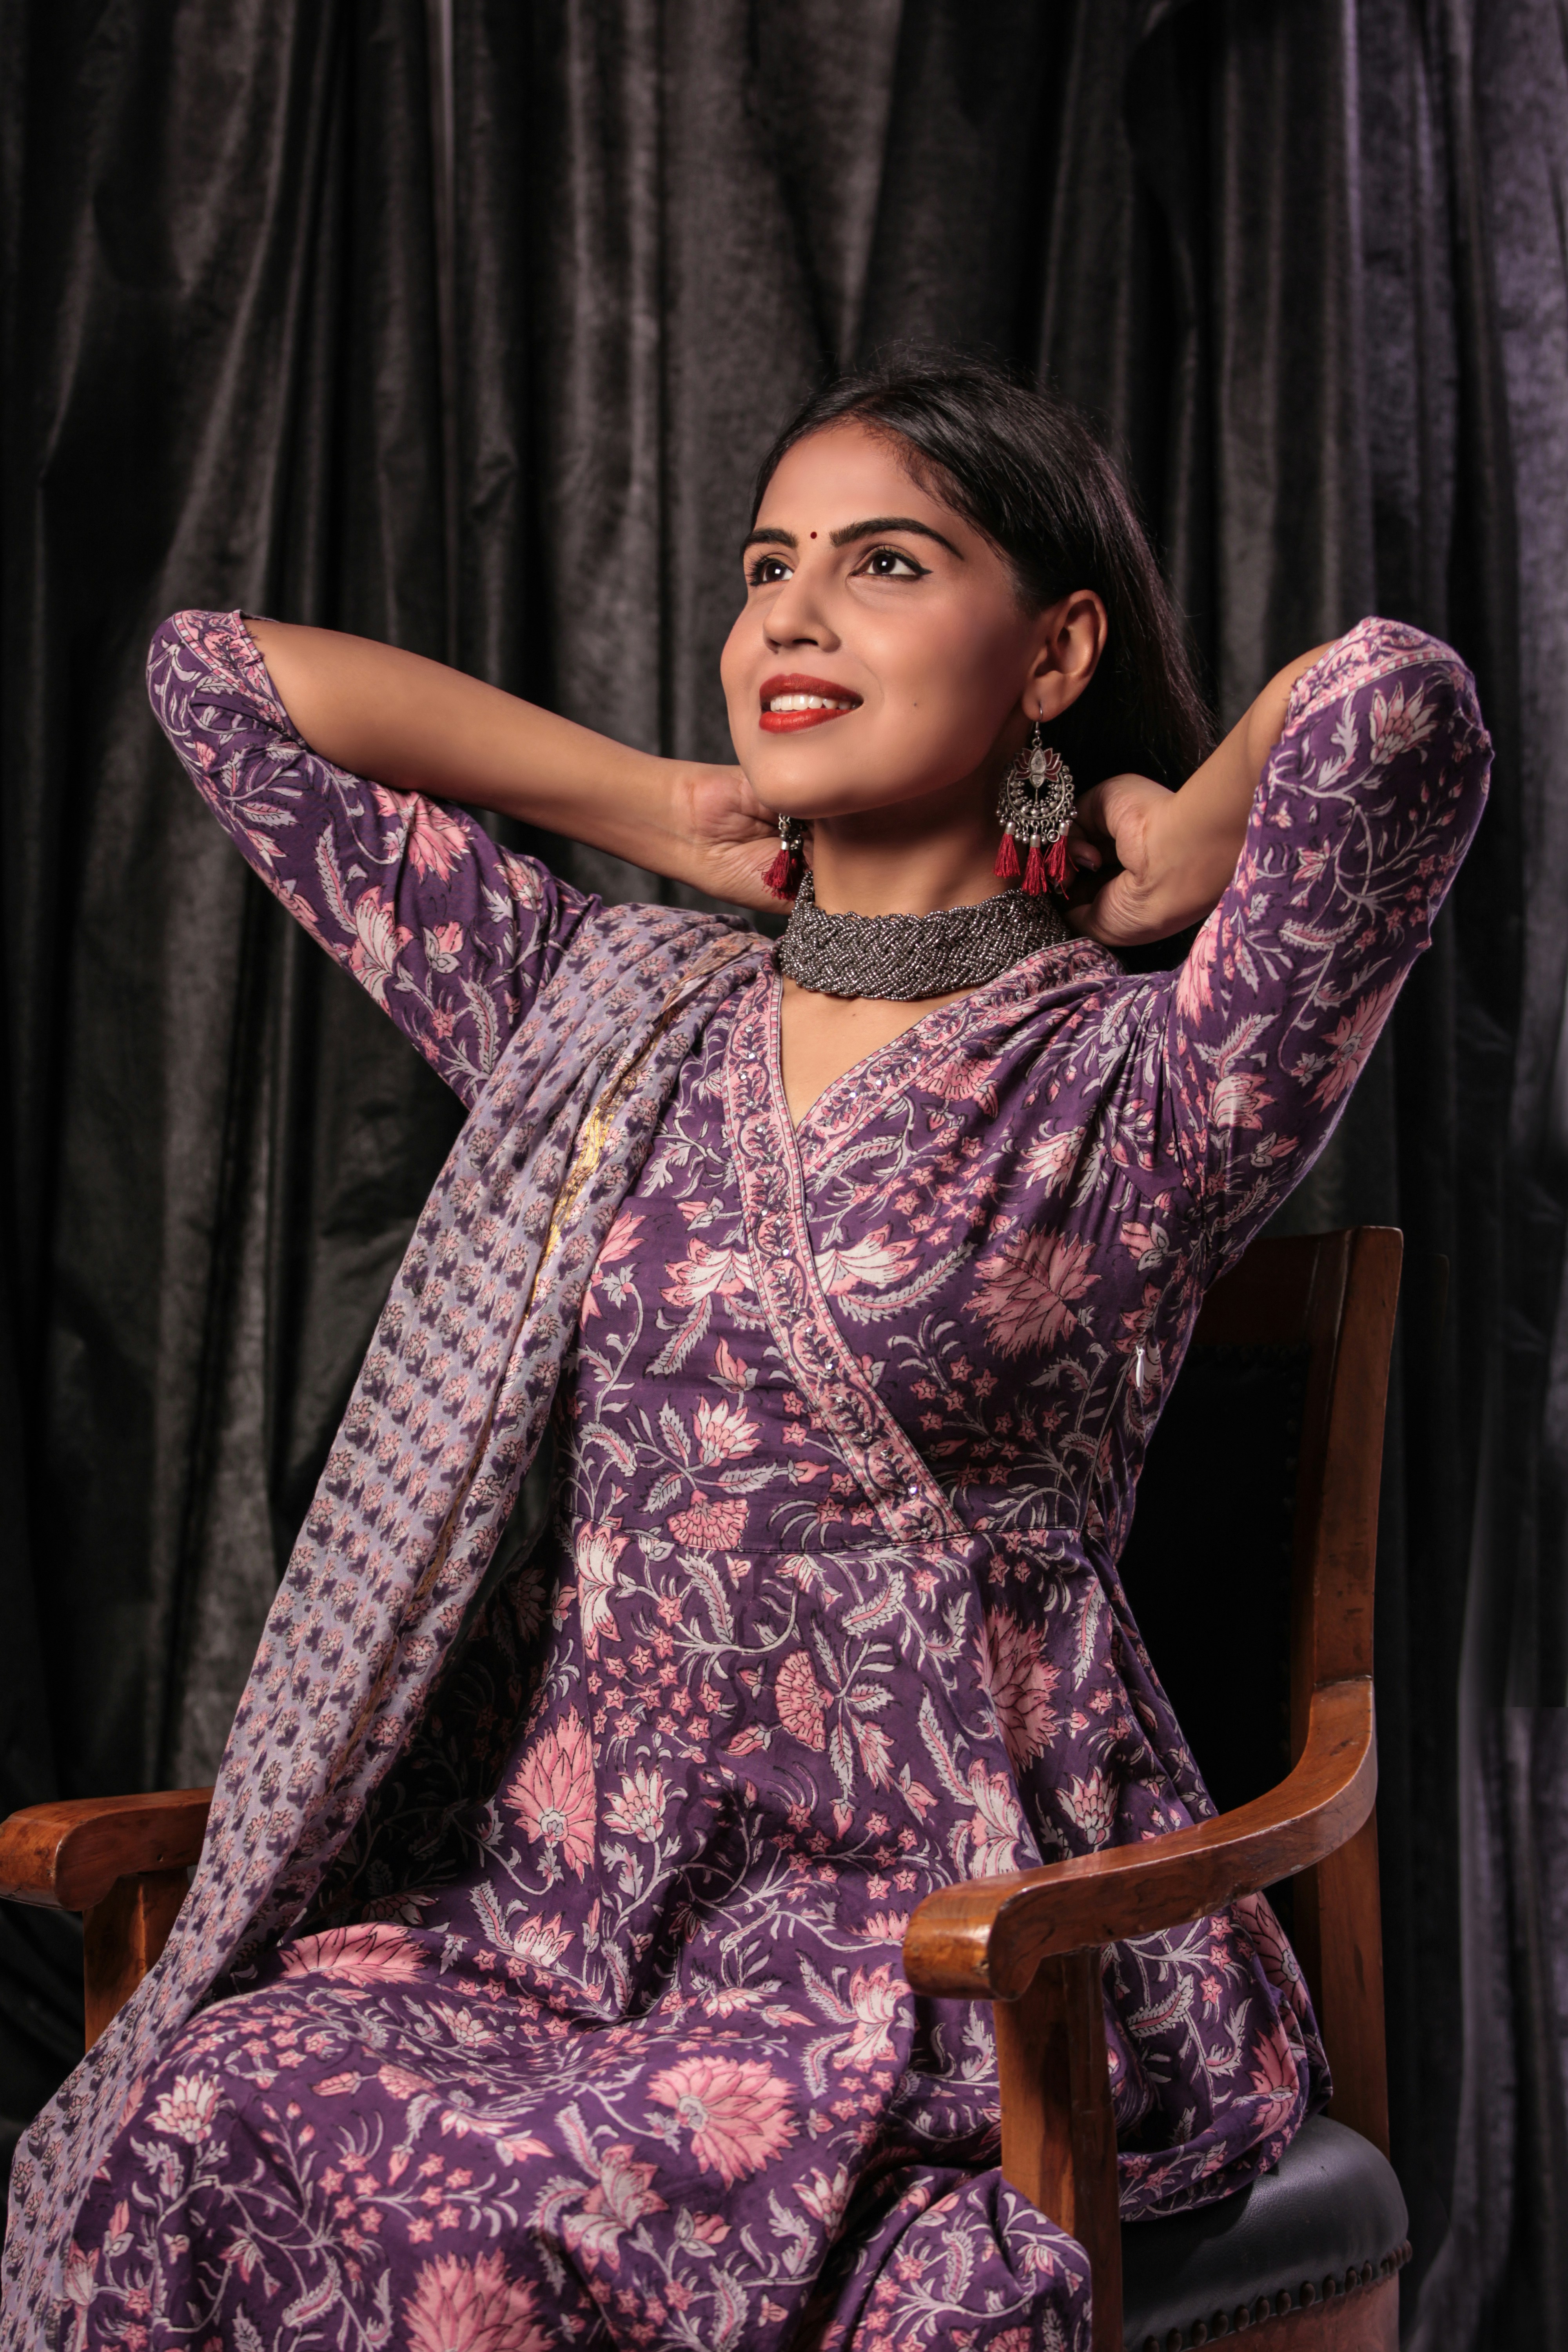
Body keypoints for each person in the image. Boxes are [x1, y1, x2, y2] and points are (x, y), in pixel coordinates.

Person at [3, 358, 1490, 2352]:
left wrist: (1152, 856)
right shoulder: (608, 1021)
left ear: (1055, 650)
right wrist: (672, 814)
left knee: (532, 2218)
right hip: (576, 1919)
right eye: (766, 565)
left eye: (885, 563)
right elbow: (224, 683)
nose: (791, 613)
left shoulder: (1140, 1082)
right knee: (195, 2115)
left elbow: (1393, 702)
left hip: (946, 1950)